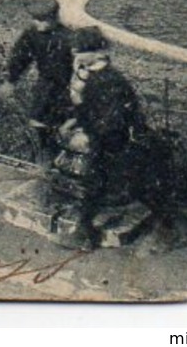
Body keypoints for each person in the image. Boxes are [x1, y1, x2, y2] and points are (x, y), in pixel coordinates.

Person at [52, 28, 147, 247]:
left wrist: (88, 133)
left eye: (80, 53)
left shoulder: (109, 81)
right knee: (94, 180)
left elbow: (112, 119)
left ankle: (84, 236)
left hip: (111, 139)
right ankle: (86, 224)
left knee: (93, 181)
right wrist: (75, 121)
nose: (76, 57)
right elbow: (91, 109)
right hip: (101, 134)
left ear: (97, 53)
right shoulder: (96, 76)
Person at [0, 0, 73, 165]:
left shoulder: (67, 38)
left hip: (65, 90)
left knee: (60, 130)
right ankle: (39, 161)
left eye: (44, 20)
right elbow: (20, 57)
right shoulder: (32, 35)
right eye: (36, 19)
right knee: (38, 127)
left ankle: (56, 162)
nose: (39, 24)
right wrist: (10, 80)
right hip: (44, 88)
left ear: (55, 18)